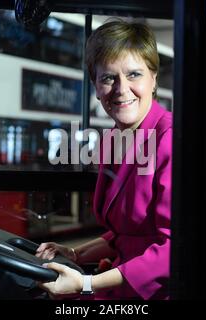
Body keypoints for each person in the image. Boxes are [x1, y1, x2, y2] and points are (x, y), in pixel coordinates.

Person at [36, 19, 172, 300]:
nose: (121, 89)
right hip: (124, 284)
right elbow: (127, 235)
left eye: (134, 74)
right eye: (108, 78)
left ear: (154, 78)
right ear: (96, 87)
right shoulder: (114, 138)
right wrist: (74, 253)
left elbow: (175, 248)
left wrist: (86, 284)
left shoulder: (172, 139)